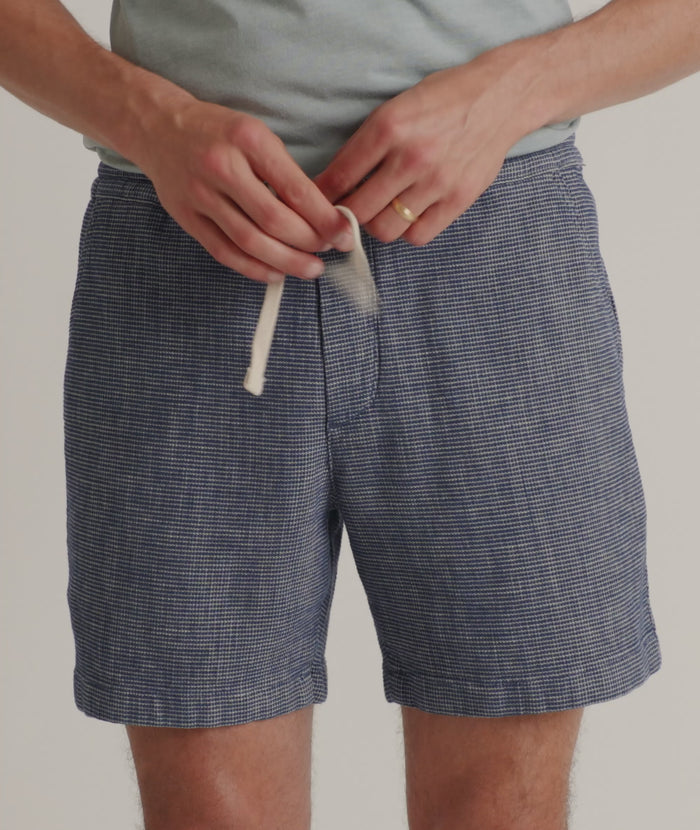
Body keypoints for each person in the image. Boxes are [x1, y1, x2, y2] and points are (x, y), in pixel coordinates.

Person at [0, 1, 696, 828]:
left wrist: (515, 89)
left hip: (491, 244)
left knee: (500, 809)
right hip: (189, 238)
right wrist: (145, 118)